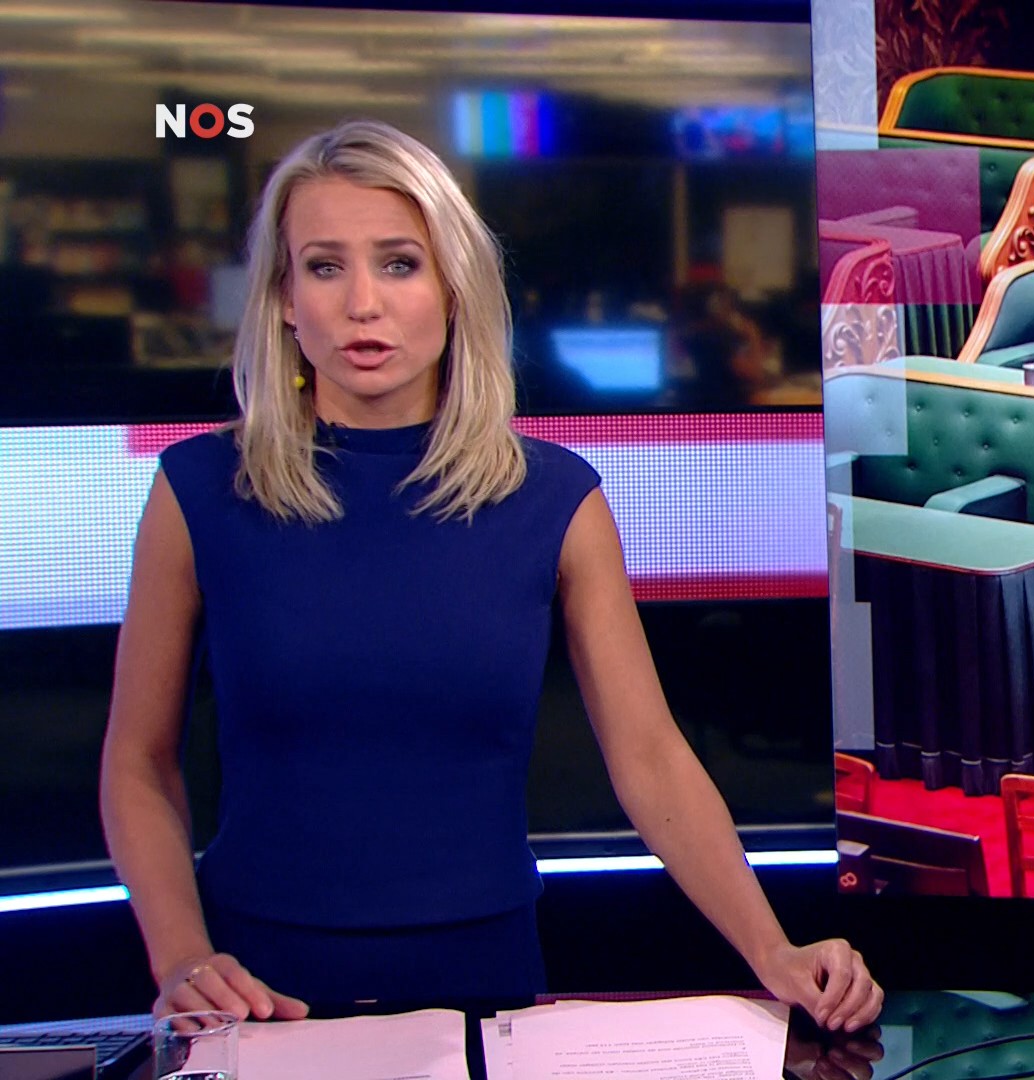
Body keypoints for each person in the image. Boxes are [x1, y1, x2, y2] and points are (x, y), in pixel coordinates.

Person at [98, 119, 881, 1031]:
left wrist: (773, 950)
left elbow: (650, 757)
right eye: (324, 266)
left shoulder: (554, 499)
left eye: (399, 264)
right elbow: (137, 760)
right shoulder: (198, 489)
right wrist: (182, 957)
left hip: (483, 980)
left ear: (453, 286)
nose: (362, 304)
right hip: (256, 994)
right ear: (281, 297)